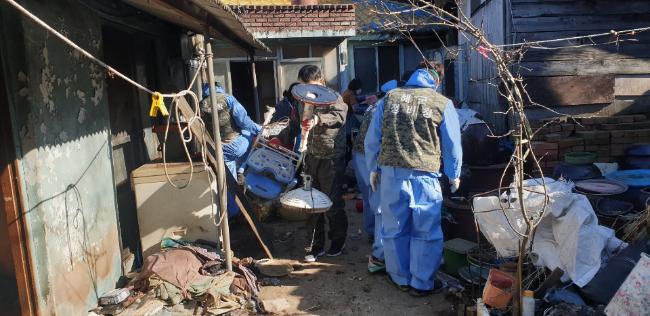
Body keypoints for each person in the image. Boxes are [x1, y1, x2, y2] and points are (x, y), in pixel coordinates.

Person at [364, 64, 462, 296]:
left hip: (390, 173)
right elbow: (452, 144)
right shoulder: (441, 102)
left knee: (394, 227)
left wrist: (373, 168)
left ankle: (400, 278)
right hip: (424, 175)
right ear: (436, 81)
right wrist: (454, 173)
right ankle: (422, 283)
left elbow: (373, 137)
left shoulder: (389, 98)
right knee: (426, 230)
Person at [295, 65, 349, 262]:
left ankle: (337, 241)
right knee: (311, 204)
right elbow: (297, 123)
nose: (308, 90)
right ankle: (314, 246)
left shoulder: (335, 97)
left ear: (321, 81)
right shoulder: (302, 100)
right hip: (310, 158)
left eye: (311, 86)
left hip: (331, 158)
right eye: (303, 86)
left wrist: (318, 119)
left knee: (332, 203)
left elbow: (340, 116)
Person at [351, 79, 398, 273]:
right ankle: (379, 248)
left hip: (359, 154)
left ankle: (372, 234)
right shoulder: (386, 106)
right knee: (378, 201)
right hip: (369, 156)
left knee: (371, 196)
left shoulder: (375, 105)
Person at [200, 82, 261, 216]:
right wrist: (260, 129)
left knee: (227, 176)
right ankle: (242, 168)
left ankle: (232, 210)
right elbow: (244, 122)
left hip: (216, 147)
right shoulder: (228, 98)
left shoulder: (201, 104)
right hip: (234, 145)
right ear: (219, 88)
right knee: (250, 134)